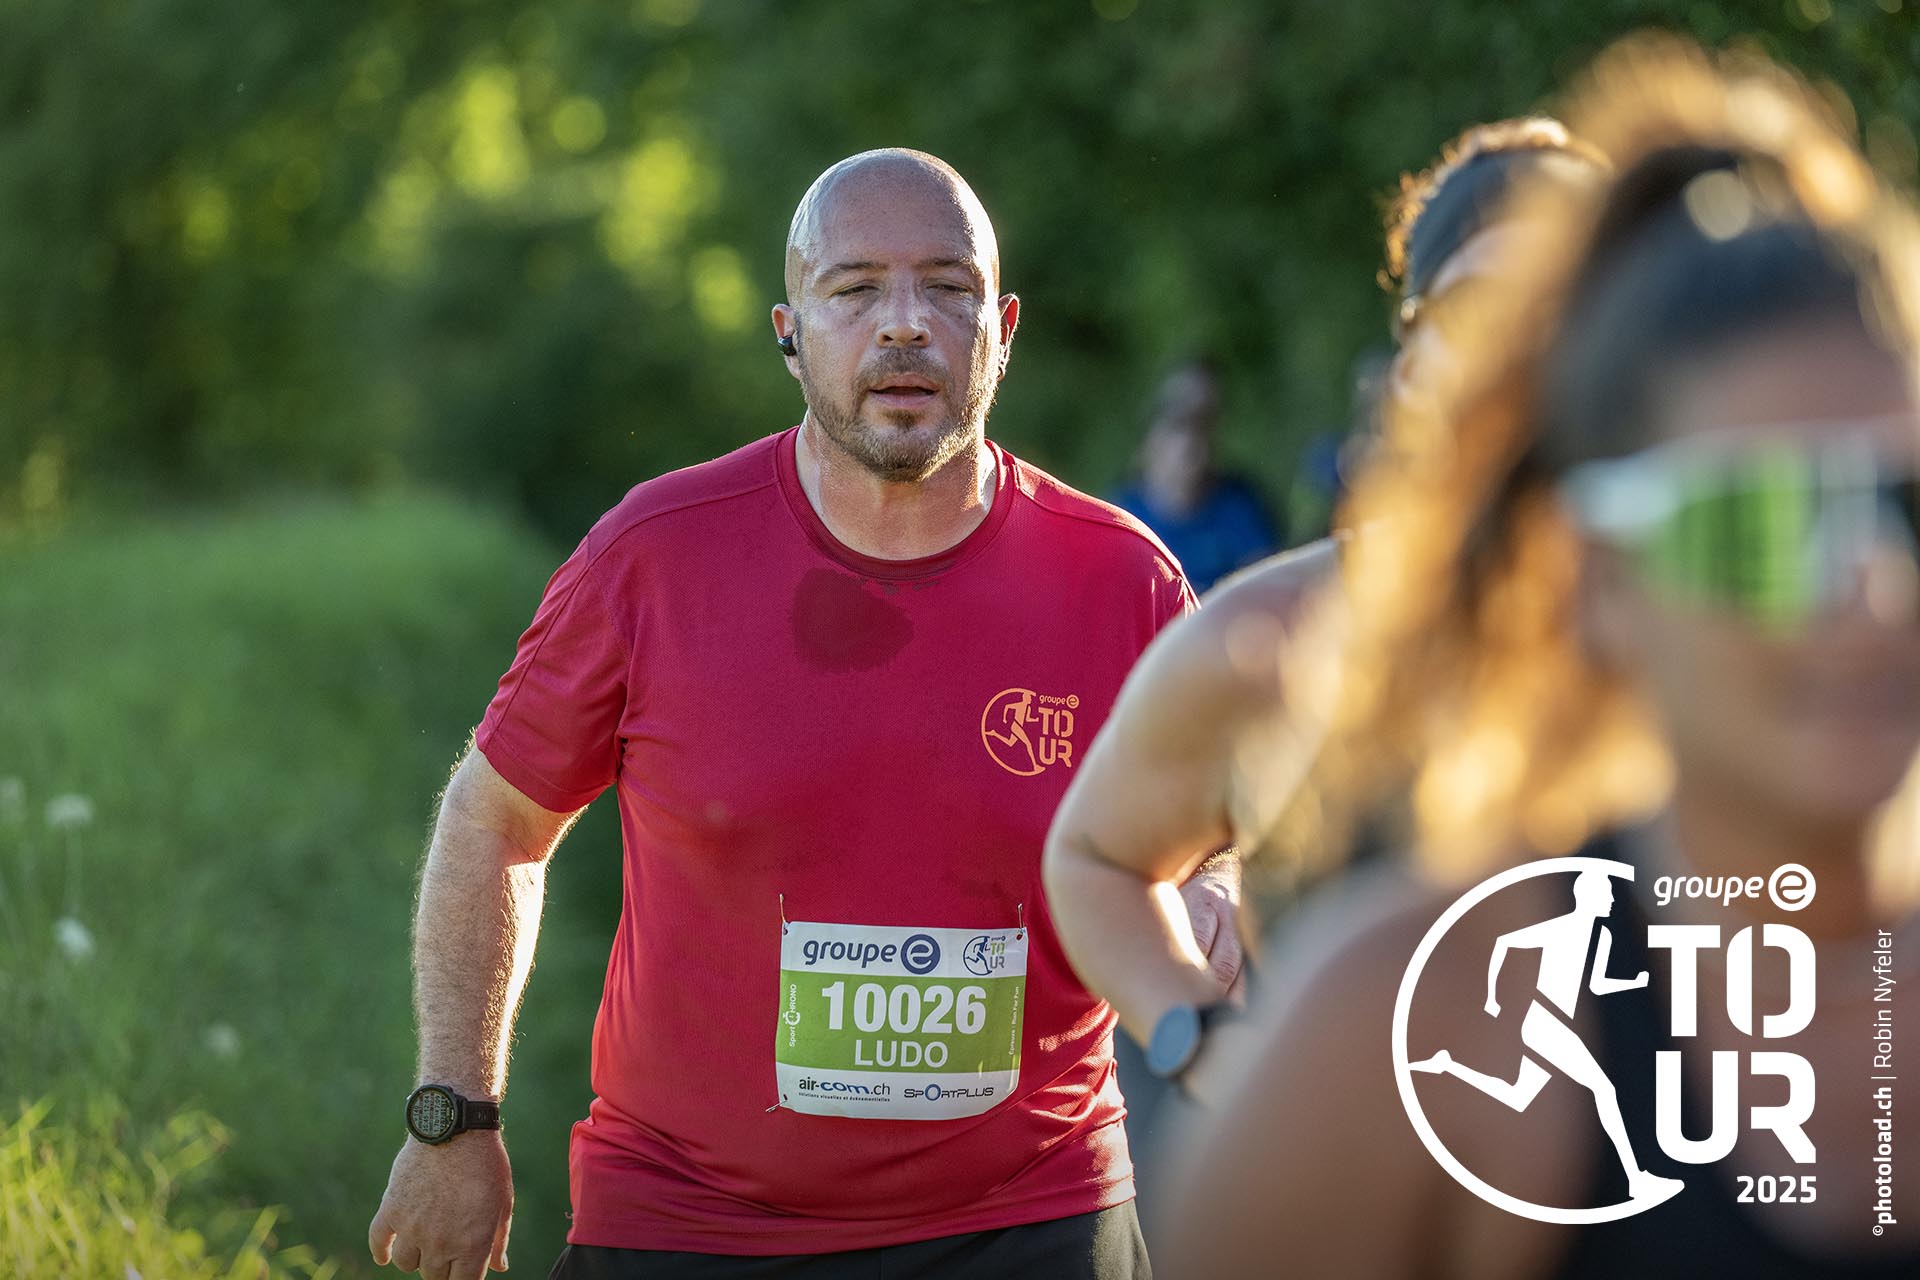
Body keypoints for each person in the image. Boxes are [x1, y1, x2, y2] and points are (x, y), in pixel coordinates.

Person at [365, 147, 1242, 1280]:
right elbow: (494, 824)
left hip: (1033, 1218)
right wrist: (455, 1118)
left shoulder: (1122, 582)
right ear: (790, 332)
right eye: (855, 288)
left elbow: (1230, 823)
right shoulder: (655, 557)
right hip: (687, 1224)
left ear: (1004, 328)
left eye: (948, 287)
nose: (905, 323)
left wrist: (1222, 884)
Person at [1153, 37, 1920, 1278]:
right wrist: (1186, 1030)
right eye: (1761, 524)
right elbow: (1096, 848)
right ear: (1599, 577)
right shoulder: (1415, 1027)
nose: (1876, 589)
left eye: (1907, 505)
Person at [1043, 117, 1607, 1112]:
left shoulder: (1753, 620)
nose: (1524, 343)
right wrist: (1205, 1047)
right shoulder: (1290, 625)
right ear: (1412, 361)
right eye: (1481, 306)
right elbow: (1093, 859)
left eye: (1573, 297)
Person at [1110, 360, 1280, 593]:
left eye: (1203, 423)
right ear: (1149, 441)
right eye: (1176, 424)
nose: (1189, 445)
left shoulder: (1239, 503)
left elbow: (1268, 581)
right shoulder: (1121, 518)